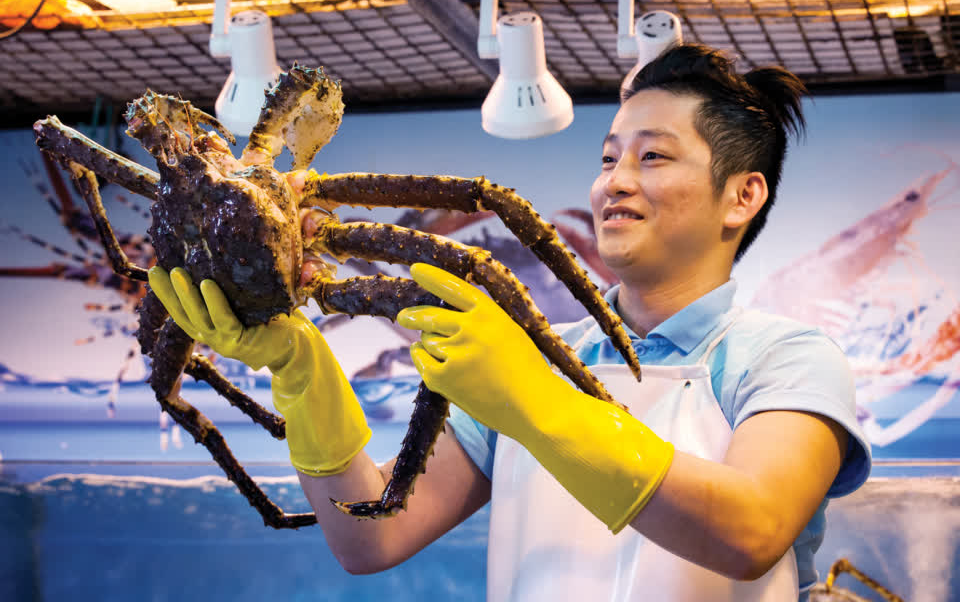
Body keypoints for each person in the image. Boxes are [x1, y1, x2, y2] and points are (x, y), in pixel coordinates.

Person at [148, 43, 871, 601]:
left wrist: (534, 399)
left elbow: (752, 530)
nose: (614, 181)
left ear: (742, 196)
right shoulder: (530, 355)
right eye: (609, 156)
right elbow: (372, 537)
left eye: (653, 156)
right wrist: (303, 374)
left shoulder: (785, 358)